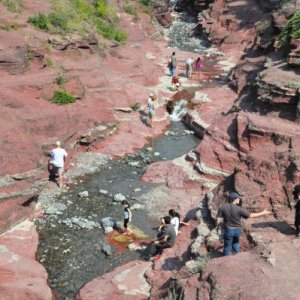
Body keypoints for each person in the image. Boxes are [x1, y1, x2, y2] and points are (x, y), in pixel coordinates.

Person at [216, 192, 271, 256]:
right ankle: (238, 257)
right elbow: (251, 215)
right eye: (238, 198)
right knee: (235, 244)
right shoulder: (239, 209)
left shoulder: (223, 207)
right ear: (235, 199)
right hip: (237, 230)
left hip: (229, 230)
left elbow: (218, 219)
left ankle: (227, 260)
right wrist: (263, 213)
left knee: (227, 246)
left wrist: (217, 227)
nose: (239, 200)